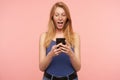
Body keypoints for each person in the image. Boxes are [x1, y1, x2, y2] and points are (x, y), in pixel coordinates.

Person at [39, 2, 81, 80]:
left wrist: (70, 53)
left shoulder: (75, 37)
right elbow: (41, 67)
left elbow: (78, 68)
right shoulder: (44, 37)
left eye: (63, 15)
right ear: (52, 17)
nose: (60, 18)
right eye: (57, 15)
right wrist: (51, 54)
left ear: (67, 18)